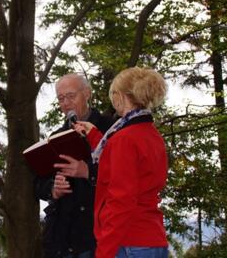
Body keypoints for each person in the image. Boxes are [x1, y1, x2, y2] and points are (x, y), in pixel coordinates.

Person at [72, 67, 169, 258]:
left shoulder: (124, 139)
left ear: (121, 96)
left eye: (114, 93)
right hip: (152, 239)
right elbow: (129, 168)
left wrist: (104, 251)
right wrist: (94, 136)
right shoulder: (150, 133)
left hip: (129, 243)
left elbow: (121, 201)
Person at [34, 73, 115, 258]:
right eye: (61, 98)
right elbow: (37, 183)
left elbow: (125, 175)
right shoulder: (56, 137)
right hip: (61, 237)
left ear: (87, 93)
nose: (66, 103)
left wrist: (88, 172)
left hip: (98, 235)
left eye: (71, 96)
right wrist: (52, 189)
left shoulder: (110, 128)